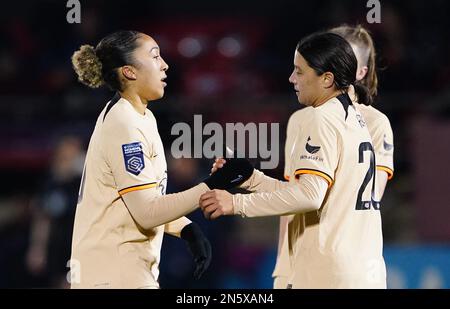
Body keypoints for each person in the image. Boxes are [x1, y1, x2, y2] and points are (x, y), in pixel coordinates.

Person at [201, 32, 386, 288]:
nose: (292, 79)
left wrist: (236, 203)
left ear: (327, 79)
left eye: (299, 71)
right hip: (363, 270)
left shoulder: (319, 118)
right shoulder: (358, 118)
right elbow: (318, 194)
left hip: (328, 272)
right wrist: (253, 179)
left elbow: (309, 197)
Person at [70, 30, 252, 288]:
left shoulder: (140, 117)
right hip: (114, 275)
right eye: (155, 57)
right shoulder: (125, 125)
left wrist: (186, 228)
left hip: (122, 270)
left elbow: (139, 200)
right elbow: (146, 212)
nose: (165, 64)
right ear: (130, 72)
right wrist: (213, 183)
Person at [270, 25, 395, 289]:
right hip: (303, 264)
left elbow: (367, 199)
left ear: (360, 71)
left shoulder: (375, 123)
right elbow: (292, 196)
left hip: (346, 264)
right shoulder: (301, 119)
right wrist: (283, 267)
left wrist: (239, 203)